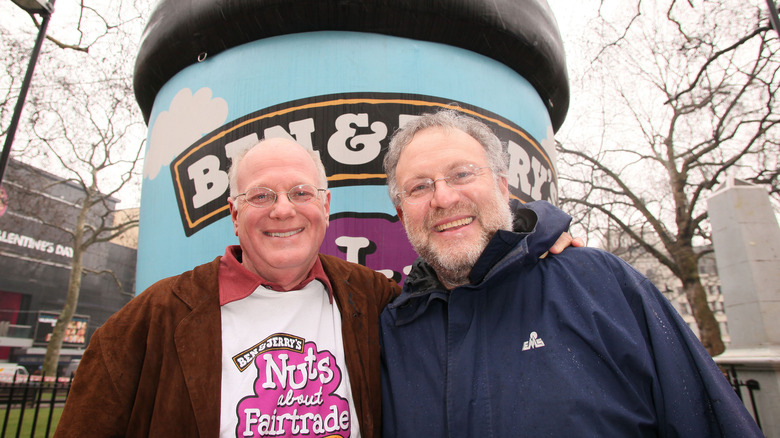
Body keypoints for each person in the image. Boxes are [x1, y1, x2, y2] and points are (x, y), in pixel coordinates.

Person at [55, 137, 576, 438]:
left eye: (301, 192)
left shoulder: (374, 298)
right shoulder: (149, 322)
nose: (284, 209)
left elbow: (466, 290)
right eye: (262, 195)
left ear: (324, 208)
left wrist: (537, 238)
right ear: (235, 215)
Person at [379, 109, 764, 437]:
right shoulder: (391, 332)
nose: (443, 198)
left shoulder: (601, 285)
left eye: (462, 174)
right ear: (402, 213)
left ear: (502, 185)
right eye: (420, 187)